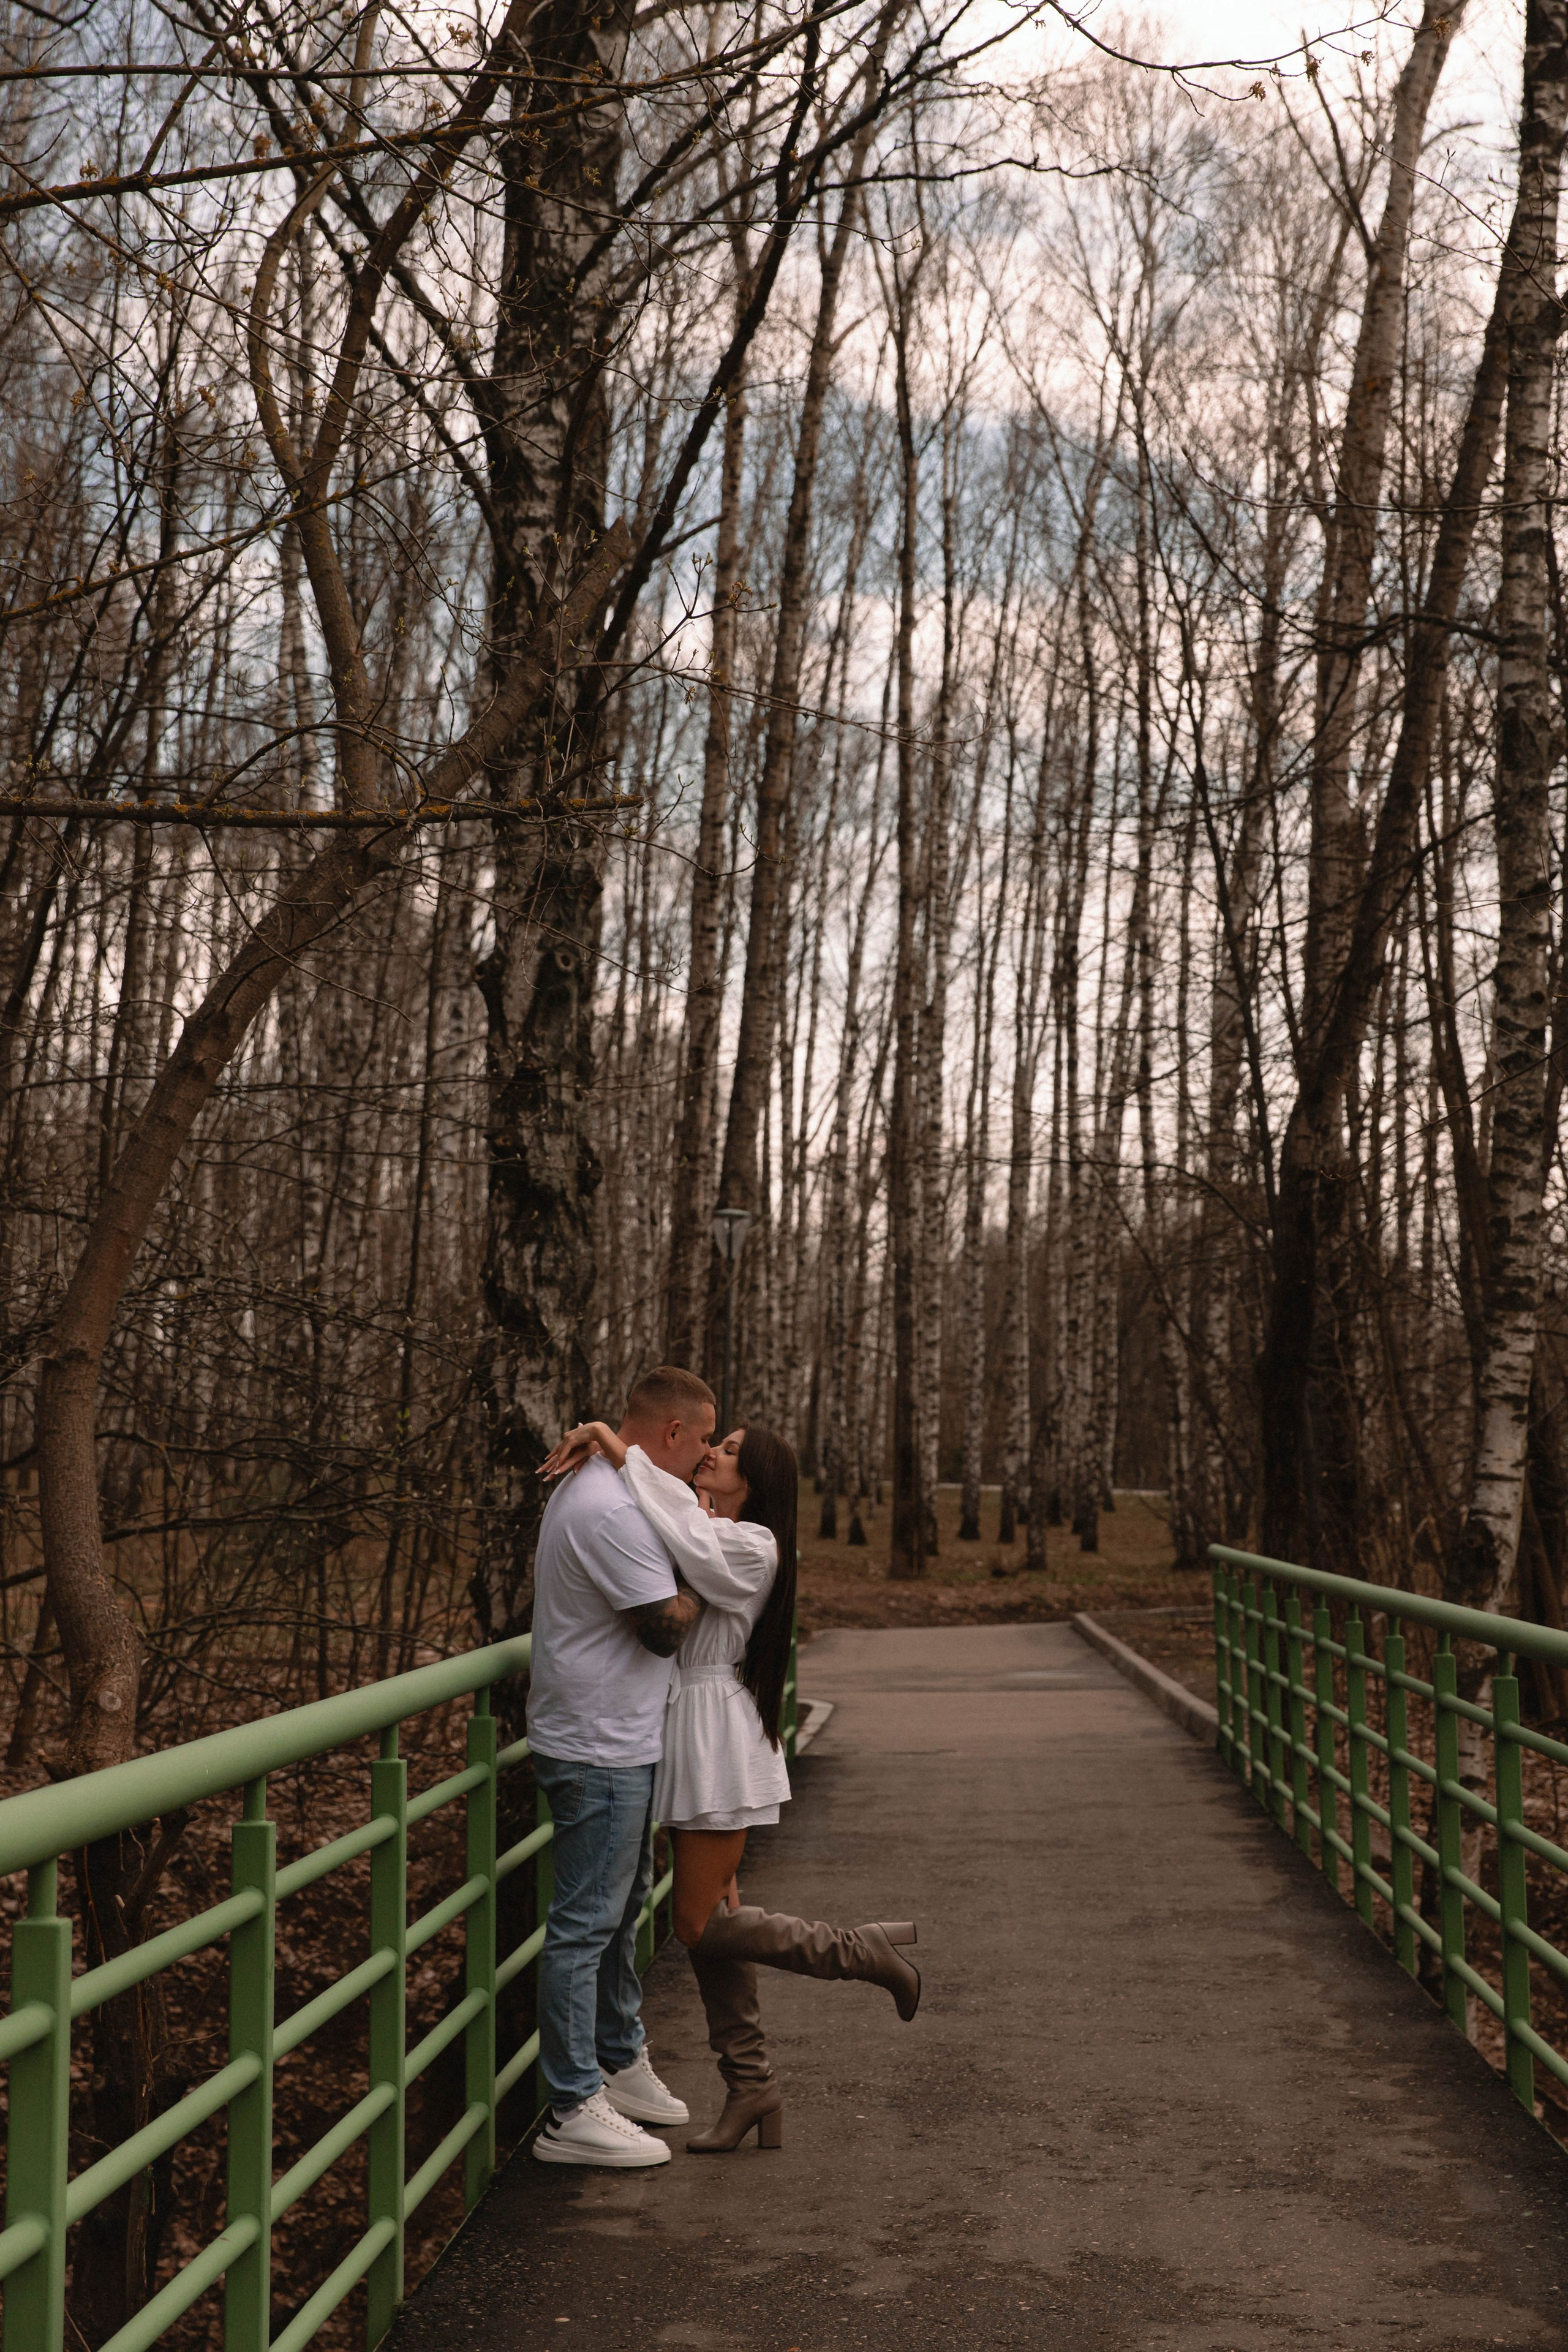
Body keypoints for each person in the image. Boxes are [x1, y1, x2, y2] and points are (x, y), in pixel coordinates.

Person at [540, 1415, 922, 2156]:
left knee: (696, 1926)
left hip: (712, 1737)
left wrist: (620, 1449)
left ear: (759, 1479)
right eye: (716, 1443)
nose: (713, 1453)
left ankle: (860, 1950)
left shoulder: (753, 1544)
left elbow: (681, 1536)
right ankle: (751, 2087)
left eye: (731, 1450)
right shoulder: (716, 1527)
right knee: (717, 1921)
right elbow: (676, 1529)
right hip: (688, 1727)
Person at [526, 1365, 715, 2170]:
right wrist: (704, 1571)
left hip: (615, 1737)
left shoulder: (618, 1488)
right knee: (585, 1925)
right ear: (671, 1432)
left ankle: (616, 2058)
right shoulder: (610, 1509)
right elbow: (664, 1629)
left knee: (619, 1910)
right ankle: (572, 2107)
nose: (706, 1456)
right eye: (703, 1440)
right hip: (597, 1744)